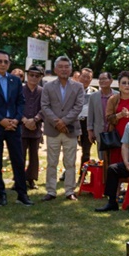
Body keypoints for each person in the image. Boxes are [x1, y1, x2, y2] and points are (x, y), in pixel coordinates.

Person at [0, 50, 32, 206]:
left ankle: (22, 194)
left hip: (14, 126)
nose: (3, 64)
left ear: (9, 63)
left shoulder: (15, 81)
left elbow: (21, 102)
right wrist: (0, 120)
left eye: (6, 62)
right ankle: (1, 194)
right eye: (0, 61)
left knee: (18, 160)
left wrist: (16, 120)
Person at [40, 56, 86, 201]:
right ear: (55, 69)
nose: (64, 69)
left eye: (66, 66)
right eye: (60, 66)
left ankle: (69, 191)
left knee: (70, 162)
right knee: (52, 162)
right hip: (53, 130)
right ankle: (51, 191)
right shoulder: (48, 87)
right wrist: (56, 122)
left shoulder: (78, 87)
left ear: (71, 69)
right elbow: (45, 106)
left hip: (70, 130)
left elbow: (78, 106)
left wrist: (64, 122)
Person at [18, 66, 45, 191]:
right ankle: (18, 179)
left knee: (34, 155)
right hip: (21, 127)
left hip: (36, 126)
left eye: (37, 75)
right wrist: (23, 119)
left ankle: (31, 178)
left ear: (40, 77)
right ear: (27, 75)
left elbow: (45, 108)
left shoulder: (43, 91)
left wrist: (35, 119)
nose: (34, 78)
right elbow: (15, 105)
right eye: (31, 75)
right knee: (20, 154)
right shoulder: (20, 90)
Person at [104, 71, 129, 165]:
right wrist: (120, 115)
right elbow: (108, 118)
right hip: (116, 138)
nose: (127, 85)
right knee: (115, 164)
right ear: (119, 85)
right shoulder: (112, 99)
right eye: (124, 83)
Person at [86, 71, 114, 161]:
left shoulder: (117, 95)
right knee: (102, 159)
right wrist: (90, 131)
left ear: (111, 80)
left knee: (114, 158)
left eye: (105, 79)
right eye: (100, 79)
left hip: (114, 132)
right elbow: (90, 115)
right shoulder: (93, 97)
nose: (102, 81)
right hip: (99, 132)